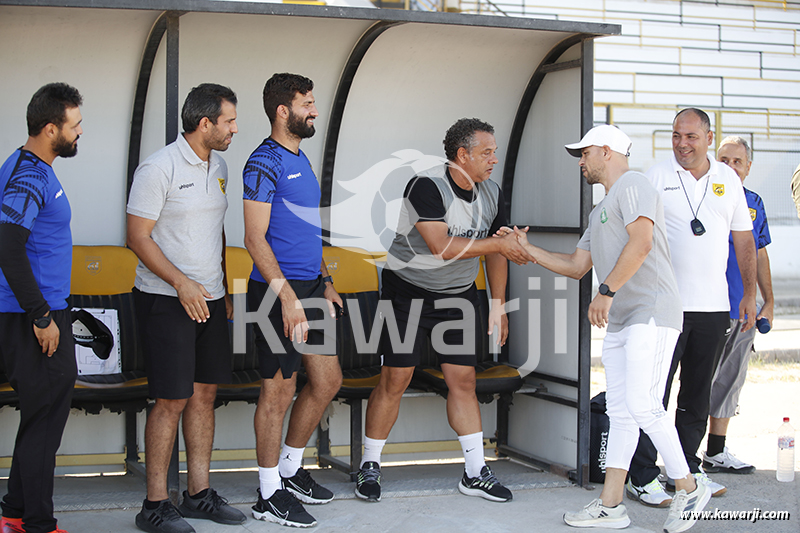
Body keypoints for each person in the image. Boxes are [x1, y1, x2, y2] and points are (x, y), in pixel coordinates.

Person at [504, 124, 710, 532]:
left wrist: (606, 291)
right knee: (621, 412)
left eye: (585, 154)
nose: (581, 162)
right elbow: (576, 266)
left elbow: (642, 242)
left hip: (651, 312)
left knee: (644, 404)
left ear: (606, 151)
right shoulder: (601, 209)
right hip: (621, 320)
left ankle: (688, 486)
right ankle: (611, 505)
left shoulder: (633, 184)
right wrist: (527, 249)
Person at [354, 118, 532, 505]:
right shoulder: (426, 185)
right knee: (396, 378)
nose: (494, 159)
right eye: (487, 152)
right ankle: (369, 464)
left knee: (463, 381)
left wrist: (498, 305)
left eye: (495, 152)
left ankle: (475, 472)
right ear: (462, 155)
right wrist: (500, 244)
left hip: (457, 296)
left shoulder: (492, 191)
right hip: (407, 292)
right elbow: (442, 247)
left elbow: (496, 253)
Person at [127, 83, 245, 533]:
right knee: (171, 400)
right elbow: (137, 237)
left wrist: (221, 289)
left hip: (210, 299)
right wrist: (181, 284)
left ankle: (198, 495)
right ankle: (155, 505)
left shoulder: (221, 166)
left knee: (204, 395)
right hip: (165, 300)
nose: (235, 129)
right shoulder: (159, 167)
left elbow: (216, 230)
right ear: (205, 123)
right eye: (229, 121)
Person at [626, 108, 757, 507]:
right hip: (665, 305)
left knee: (697, 395)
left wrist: (748, 295)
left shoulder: (727, 180)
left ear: (709, 138)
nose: (682, 144)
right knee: (654, 394)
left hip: (713, 307)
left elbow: (745, 241)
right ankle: (642, 476)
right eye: (676, 135)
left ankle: (685, 469)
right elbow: (637, 238)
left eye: (691, 137)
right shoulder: (656, 176)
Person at [243, 73, 343, 529]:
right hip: (276, 293)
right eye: (307, 104)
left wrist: (325, 280)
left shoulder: (300, 157)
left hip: (311, 289)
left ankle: (289, 468)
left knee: (327, 381)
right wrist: (286, 296)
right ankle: (268, 494)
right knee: (279, 390)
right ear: (283, 111)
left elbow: (306, 229)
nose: (314, 111)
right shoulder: (263, 162)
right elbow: (254, 237)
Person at [0, 82, 83, 533]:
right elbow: (8, 247)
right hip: (32, 317)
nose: (79, 132)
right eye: (74, 125)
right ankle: (37, 524)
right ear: (50, 128)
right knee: (45, 419)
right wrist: (41, 316)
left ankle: (15, 513)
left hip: (42, 312)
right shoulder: (28, 175)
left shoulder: (34, 169)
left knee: (40, 417)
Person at [704, 136, 773, 474]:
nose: (730, 167)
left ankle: (715, 452)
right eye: (724, 160)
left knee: (730, 381)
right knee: (697, 383)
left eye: (737, 162)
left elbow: (759, 253)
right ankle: (681, 457)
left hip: (743, 310)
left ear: (748, 167)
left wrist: (768, 301)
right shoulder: (701, 196)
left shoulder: (754, 203)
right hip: (706, 308)